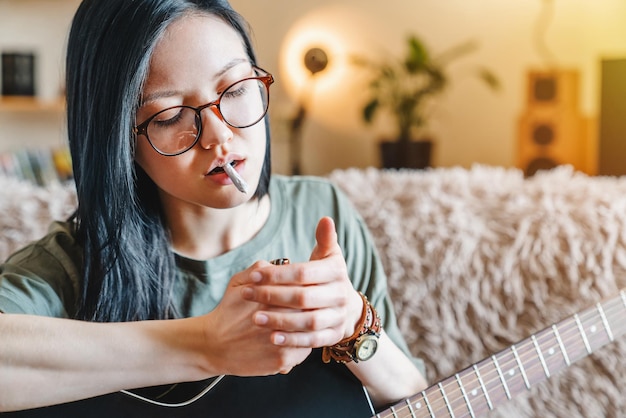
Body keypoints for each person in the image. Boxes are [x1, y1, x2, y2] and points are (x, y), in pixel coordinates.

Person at [0, 0, 427, 416]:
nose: (218, 136)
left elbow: (411, 396)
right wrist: (205, 345)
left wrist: (353, 325)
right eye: (168, 117)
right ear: (118, 141)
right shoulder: (75, 260)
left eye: (237, 89)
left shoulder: (321, 211)